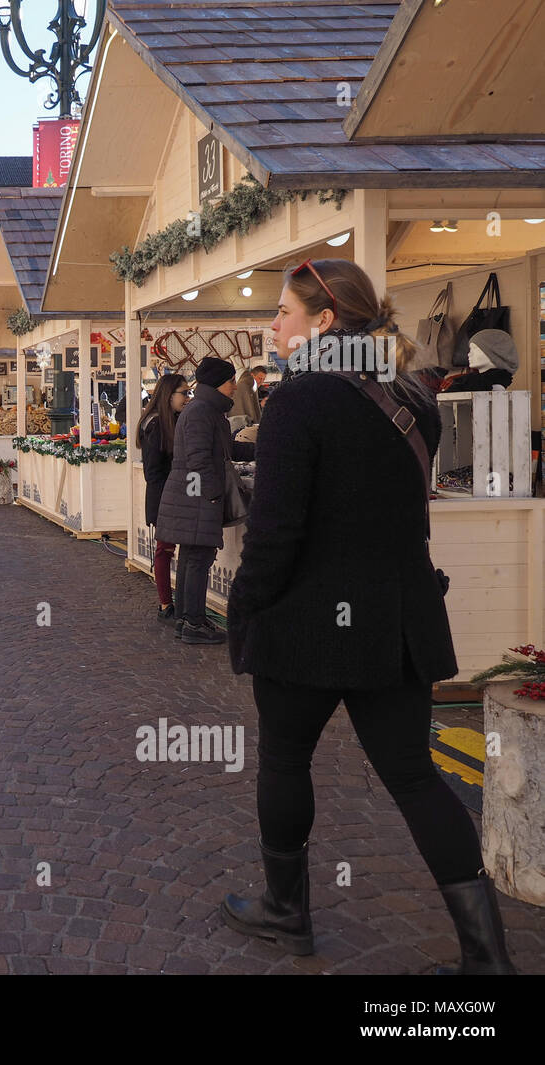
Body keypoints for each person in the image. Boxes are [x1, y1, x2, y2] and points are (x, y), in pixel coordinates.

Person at [222, 258, 515, 973]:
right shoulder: (411, 400)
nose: (272, 325)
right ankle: (489, 956)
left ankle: (287, 913)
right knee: (416, 776)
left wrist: (243, 607)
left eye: (283, 313)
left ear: (323, 322)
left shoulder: (297, 403)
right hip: (396, 624)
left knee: (286, 761)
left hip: (304, 627)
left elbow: (275, 532)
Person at [152, 356, 255, 645]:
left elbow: (227, 448)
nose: (235, 387)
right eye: (231, 381)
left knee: (192, 558)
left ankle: (188, 619)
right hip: (195, 497)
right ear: (218, 384)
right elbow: (198, 458)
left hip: (193, 496)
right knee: (197, 559)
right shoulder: (201, 412)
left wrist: (261, 449)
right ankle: (193, 623)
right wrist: (212, 494)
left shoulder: (208, 410)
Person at [137, 373, 190, 624]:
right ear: (169, 395)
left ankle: (173, 603)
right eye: (184, 393)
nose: (187, 397)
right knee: (165, 550)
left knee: (170, 550)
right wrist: (168, 501)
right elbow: (153, 472)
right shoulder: (156, 424)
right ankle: (166, 604)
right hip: (165, 498)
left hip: (173, 497)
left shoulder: (173, 420)